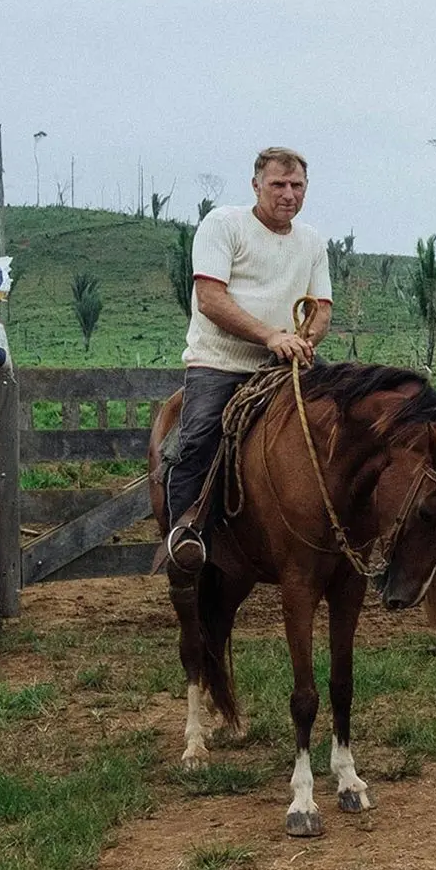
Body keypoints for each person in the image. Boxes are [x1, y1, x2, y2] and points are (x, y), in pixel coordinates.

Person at [163, 147, 333, 570]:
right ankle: (185, 534)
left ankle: (351, 530)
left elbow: (323, 308)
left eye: (297, 186)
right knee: (198, 437)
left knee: (348, 419)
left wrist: (305, 338)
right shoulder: (223, 225)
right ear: (256, 185)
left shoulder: (311, 241)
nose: (288, 194)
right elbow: (211, 299)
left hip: (287, 363)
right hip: (221, 361)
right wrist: (271, 336)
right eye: (278, 184)